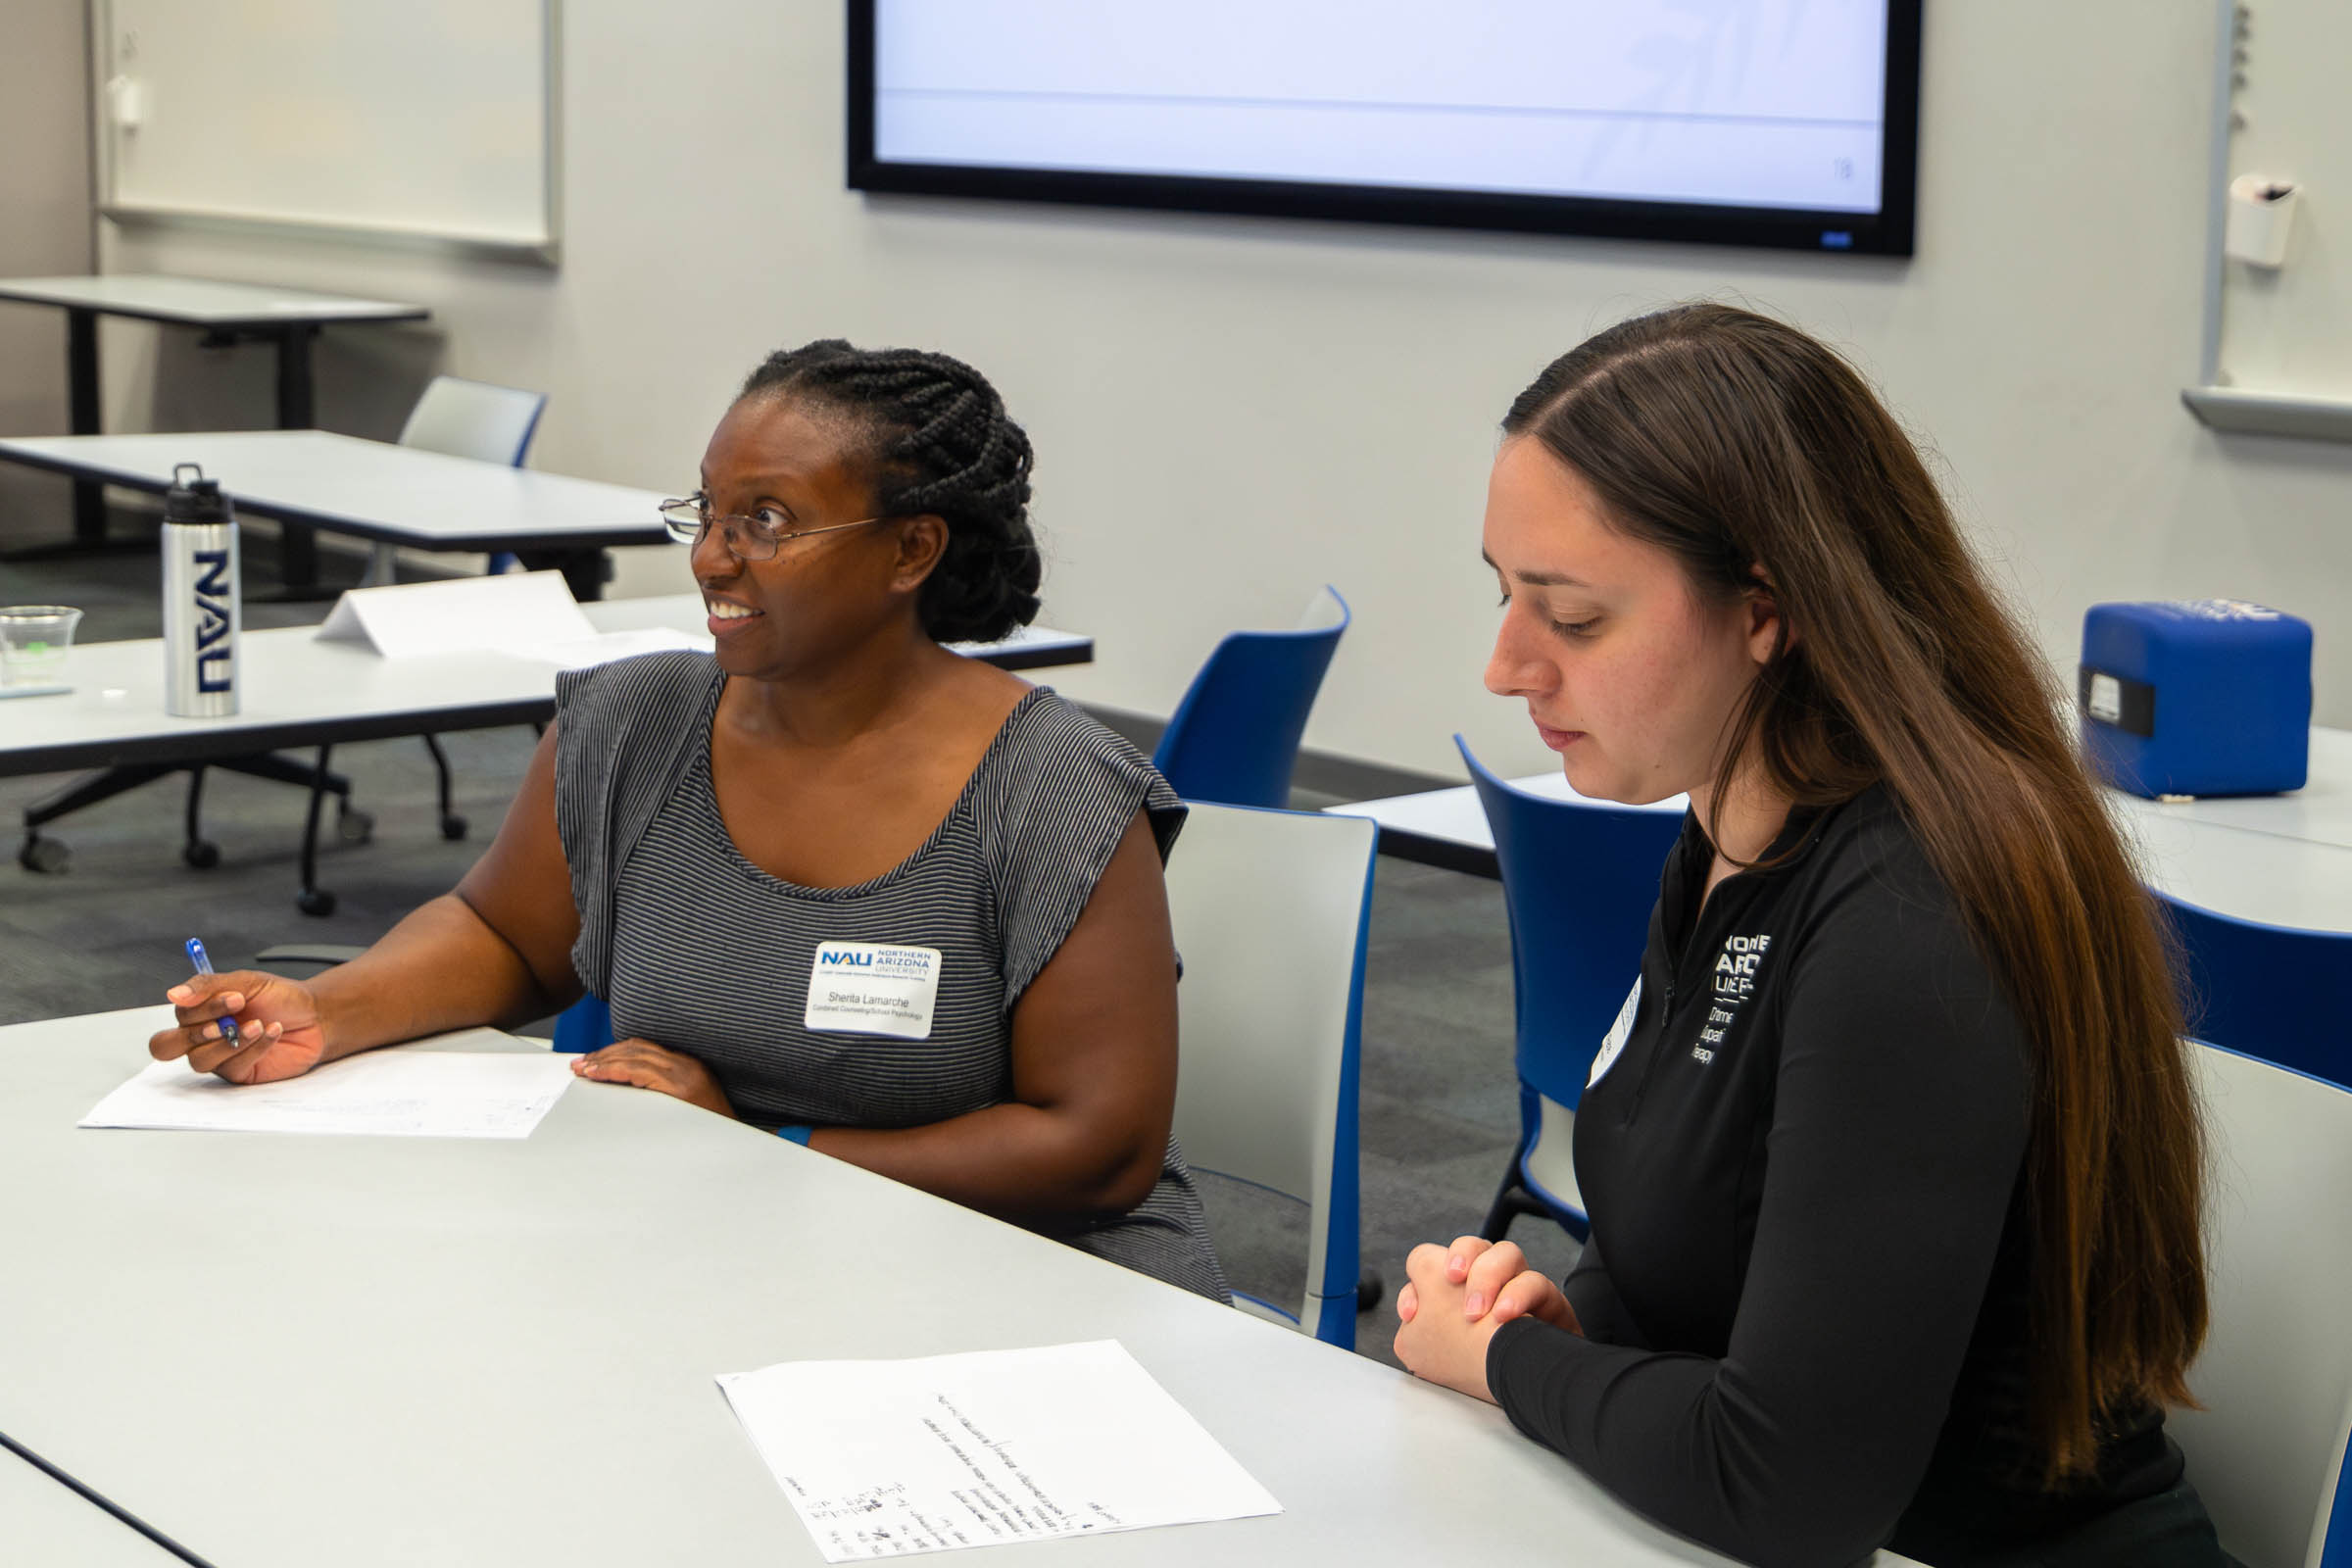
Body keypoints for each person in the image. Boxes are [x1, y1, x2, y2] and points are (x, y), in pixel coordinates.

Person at [1391, 304, 2224, 1568]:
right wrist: (1575, 1318)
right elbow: (1710, 1209)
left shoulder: (1911, 909)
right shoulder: (1734, 824)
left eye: (1570, 618)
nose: (1508, 665)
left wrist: (1513, 1361)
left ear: (1765, 610)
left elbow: (1788, 1485)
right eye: (1505, 597)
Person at [151, 340, 1228, 1303]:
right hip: (720, 1240)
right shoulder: (634, 722)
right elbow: (503, 934)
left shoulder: (1050, 786)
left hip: (1026, 1280)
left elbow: (1097, 1149)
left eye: (767, 522)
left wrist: (763, 1147)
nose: (712, 557)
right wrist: (324, 1011)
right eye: (707, 512)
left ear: (911, 553)